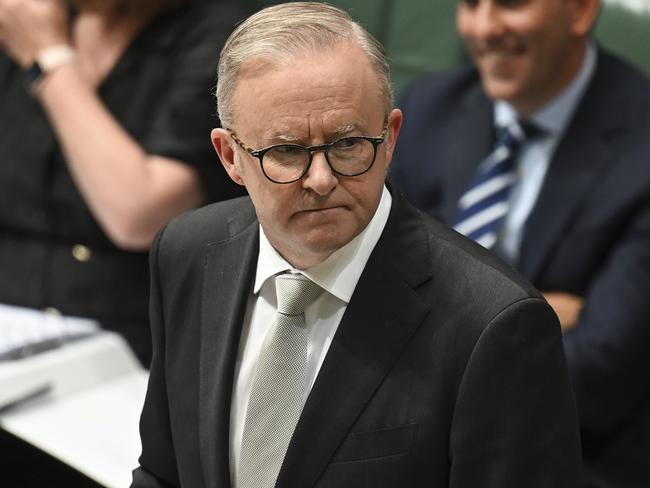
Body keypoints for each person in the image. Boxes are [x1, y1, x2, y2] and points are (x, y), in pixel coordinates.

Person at [132, 3, 581, 487]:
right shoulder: (187, 252)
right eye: (285, 151)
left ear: (390, 138)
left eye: (347, 145)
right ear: (229, 157)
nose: (321, 180)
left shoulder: (493, 326)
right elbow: (164, 471)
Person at [390, 0, 650, 486]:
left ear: (579, 10)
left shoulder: (642, 144)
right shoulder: (427, 108)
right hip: (413, 443)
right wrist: (539, 318)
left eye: (510, 3)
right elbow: (375, 291)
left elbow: (598, 375)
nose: (484, 28)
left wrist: (429, 333)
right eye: (470, 5)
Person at [0, 0, 247, 365]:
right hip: (14, 330)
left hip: (132, 346)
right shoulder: (28, 17)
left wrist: (48, 61)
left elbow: (139, 215)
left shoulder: (219, 38)